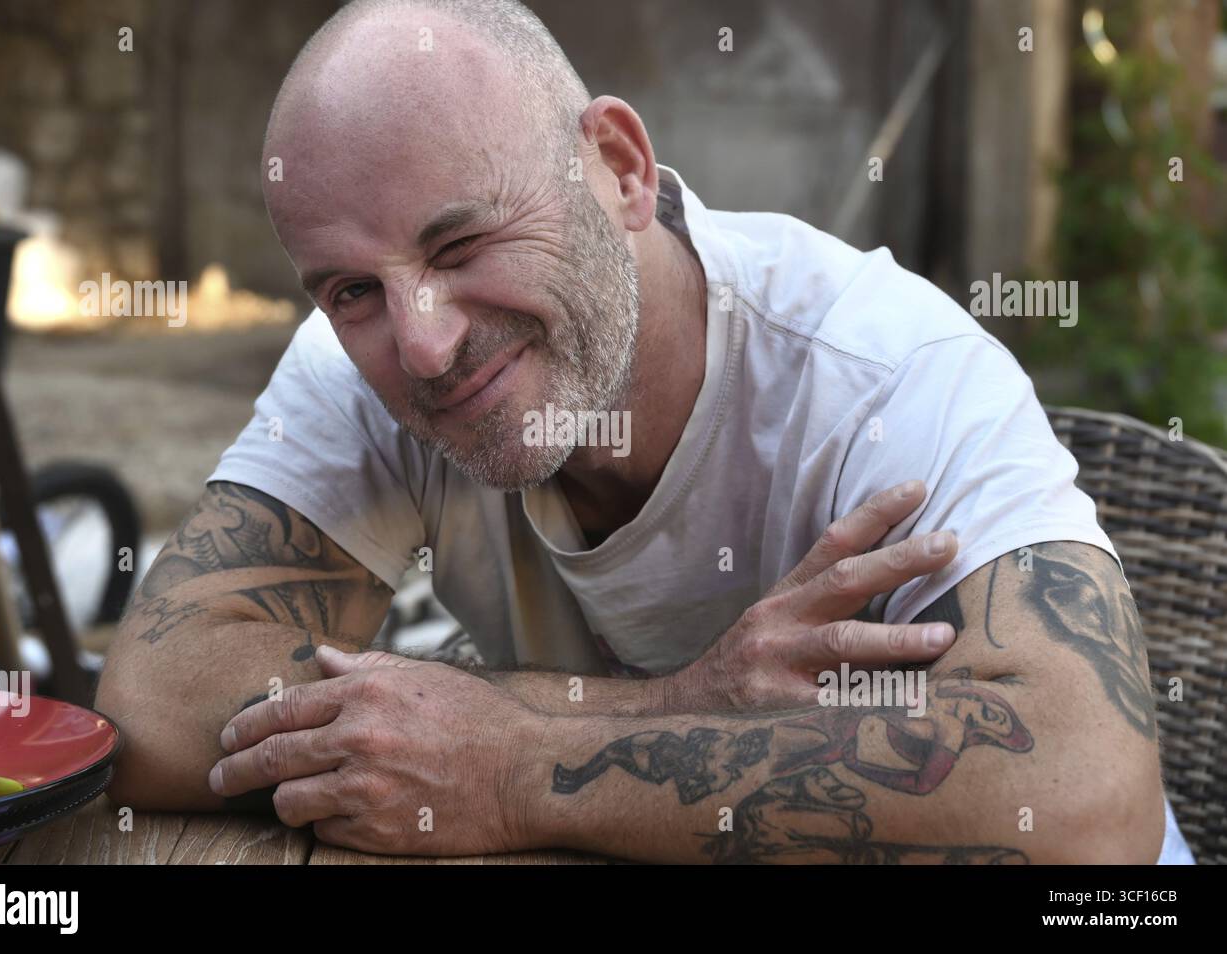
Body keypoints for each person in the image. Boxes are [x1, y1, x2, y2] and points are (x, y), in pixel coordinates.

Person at [97, 0, 1191, 863]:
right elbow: (152, 699)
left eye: (461, 243)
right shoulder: (359, 363)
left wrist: (518, 766)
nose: (422, 344)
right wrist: (671, 707)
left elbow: (1086, 797)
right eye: (349, 289)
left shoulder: (883, 374)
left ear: (618, 169)